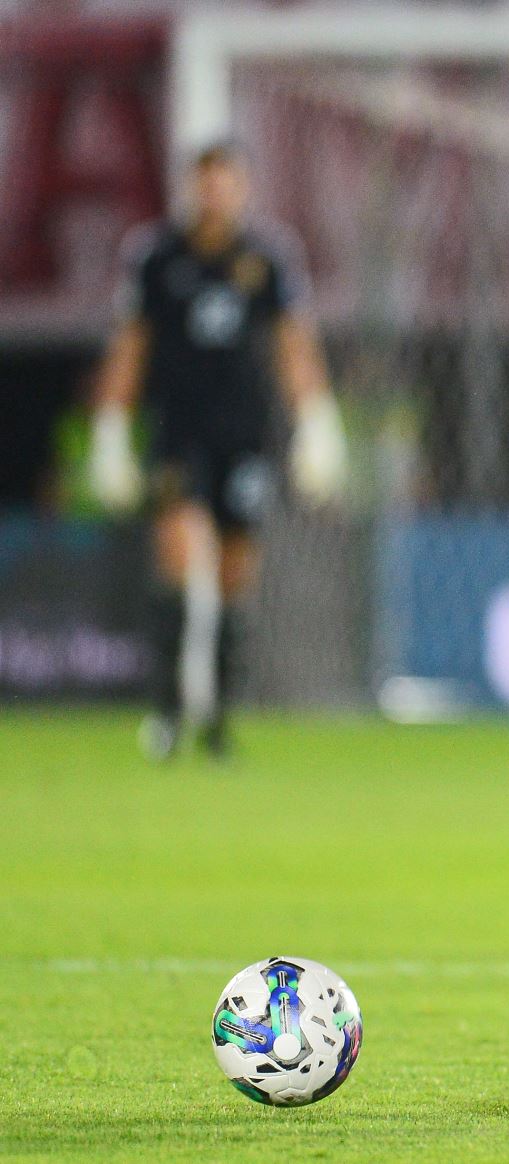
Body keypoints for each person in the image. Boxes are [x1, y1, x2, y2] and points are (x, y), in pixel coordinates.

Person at [88, 141, 346, 760]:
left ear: (243, 189)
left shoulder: (268, 257)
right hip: (178, 432)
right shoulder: (156, 258)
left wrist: (316, 419)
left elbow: (293, 345)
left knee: (235, 574)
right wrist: (110, 428)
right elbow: (131, 346)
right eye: (206, 183)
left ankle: (220, 722)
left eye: (227, 183)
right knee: (178, 560)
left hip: (244, 433)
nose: (216, 195)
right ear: (191, 188)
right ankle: (167, 713)